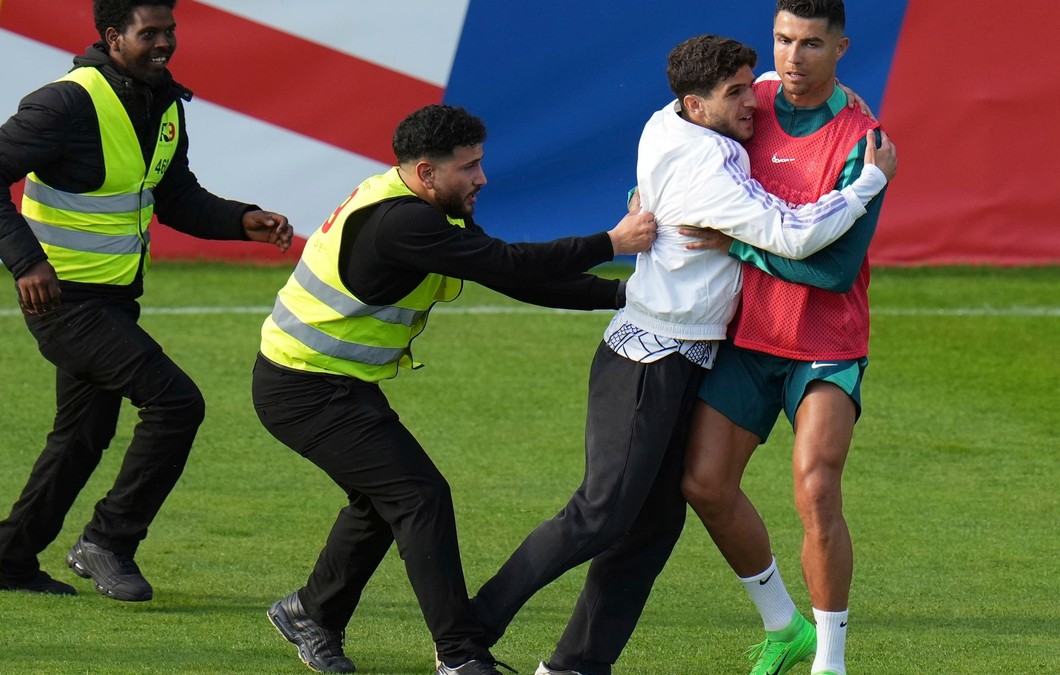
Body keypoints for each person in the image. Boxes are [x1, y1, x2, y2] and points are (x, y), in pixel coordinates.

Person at [469, 32, 896, 675]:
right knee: (601, 512)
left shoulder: (667, 119)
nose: (754, 100)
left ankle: (576, 666)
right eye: (736, 94)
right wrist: (866, 185)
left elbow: (781, 90)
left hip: (690, 356)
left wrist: (835, 93)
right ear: (697, 106)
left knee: (651, 528)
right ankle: (466, 632)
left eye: (754, 84)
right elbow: (794, 236)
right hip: (652, 358)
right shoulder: (709, 170)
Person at [253, 103, 658, 675]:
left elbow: (509, 275)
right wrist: (610, 241)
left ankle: (311, 613)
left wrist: (624, 298)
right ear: (426, 173)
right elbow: (509, 260)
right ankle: (460, 656)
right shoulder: (405, 223)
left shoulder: (421, 205)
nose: (482, 178)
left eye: (480, 163)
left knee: (387, 499)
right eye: (468, 167)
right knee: (418, 496)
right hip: (303, 388)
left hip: (326, 383)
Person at [0, 0, 293, 602]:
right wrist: (25, 261)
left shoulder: (163, 101)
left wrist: (241, 219)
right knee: (176, 403)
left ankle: (5, 562)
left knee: (82, 435)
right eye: (149, 33)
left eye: (170, 31)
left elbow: (176, 197)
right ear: (113, 37)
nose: (164, 43)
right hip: (63, 302)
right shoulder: (65, 102)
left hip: (111, 302)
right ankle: (107, 543)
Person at [680, 2, 891, 674]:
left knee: (816, 487)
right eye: (782, 40)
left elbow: (831, 269)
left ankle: (831, 660)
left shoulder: (865, 141)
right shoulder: (751, 102)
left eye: (810, 44)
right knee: (705, 483)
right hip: (750, 336)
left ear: (841, 48)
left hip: (827, 342)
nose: (792, 58)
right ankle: (784, 624)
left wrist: (736, 243)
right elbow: (684, 150)